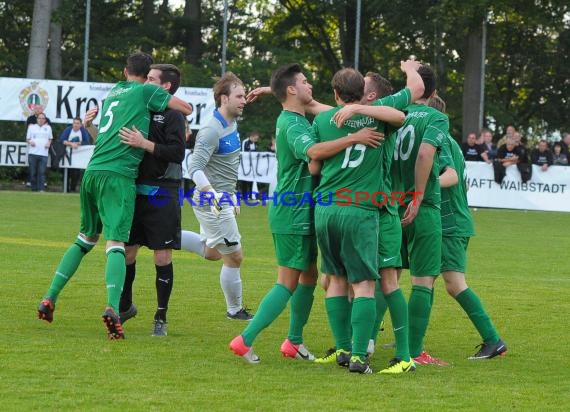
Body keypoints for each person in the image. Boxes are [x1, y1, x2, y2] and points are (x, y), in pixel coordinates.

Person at [229, 63, 383, 364]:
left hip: (304, 209)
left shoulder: (296, 116)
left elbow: (317, 108)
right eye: (303, 81)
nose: (309, 84)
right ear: (291, 89)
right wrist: (354, 138)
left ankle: (294, 341)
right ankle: (244, 339)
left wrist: (269, 92)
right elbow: (314, 155)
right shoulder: (294, 124)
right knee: (287, 281)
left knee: (309, 276)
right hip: (294, 210)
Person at [36, 52, 192, 339]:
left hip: (92, 172)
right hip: (118, 177)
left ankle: (49, 297)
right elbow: (187, 107)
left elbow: (107, 136)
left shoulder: (112, 95)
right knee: (117, 244)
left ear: (124, 72)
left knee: (84, 239)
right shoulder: (145, 91)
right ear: (147, 78)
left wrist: (90, 126)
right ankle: (112, 308)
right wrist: (158, 94)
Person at [313, 61, 425, 374]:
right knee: (350, 282)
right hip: (363, 210)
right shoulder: (369, 115)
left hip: (382, 211)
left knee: (383, 282)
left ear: (371, 94)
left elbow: (405, 106)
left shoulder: (376, 112)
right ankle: (352, 348)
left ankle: (402, 356)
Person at [429, 95, 507, 360]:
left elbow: (451, 178)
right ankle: (411, 337)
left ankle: (493, 340)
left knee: (454, 284)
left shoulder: (441, 143)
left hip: (451, 224)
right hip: (448, 221)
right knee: (425, 278)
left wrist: (421, 190)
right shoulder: (448, 142)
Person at [114, 64, 187, 337]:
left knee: (161, 255)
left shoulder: (173, 115)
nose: (146, 81)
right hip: (134, 189)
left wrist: (143, 143)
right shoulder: (139, 107)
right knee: (128, 251)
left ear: (165, 86)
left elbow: (178, 153)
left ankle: (160, 316)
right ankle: (125, 306)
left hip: (162, 192)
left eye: (152, 79)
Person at [180, 72, 253, 322]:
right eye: (239, 96)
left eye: (244, 95)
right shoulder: (211, 130)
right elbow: (194, 168)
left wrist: (232, 196)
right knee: (234, 256)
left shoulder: (231, 122)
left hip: (223, 199)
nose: (244, 100)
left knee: (212, 253)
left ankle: (165, 236)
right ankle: (235, 311)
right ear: (224, 98)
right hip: (212, 203)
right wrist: (216, 196)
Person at [391, 64, 450, 366]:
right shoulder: (436, 117)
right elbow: (426, 154)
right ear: (435, 92)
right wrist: (418, 195)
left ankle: (369, 343)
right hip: (421, 208)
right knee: (423, 281)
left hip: (390, 206)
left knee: (386, 279)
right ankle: (414, 351)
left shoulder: (396, 117)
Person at [59, 117, 91, 192]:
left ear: (80, 125)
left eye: (77, 123)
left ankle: (73, 189)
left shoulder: (82, 131)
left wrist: (78, 143)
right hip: (67, 155)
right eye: (74, 123)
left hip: (78, 156)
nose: (76, 125)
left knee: (76, 173)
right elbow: (62, 140)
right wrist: (71, 144)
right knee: (66, 172)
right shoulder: (68, 130)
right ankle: (65, 188)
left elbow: (87, 142)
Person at [26, 113, 53, 192]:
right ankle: (33, 189)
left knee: (41, 172)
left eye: (43, 118)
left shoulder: (48, 128)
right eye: (39, 118)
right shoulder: (31, 127)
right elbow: (27, 139)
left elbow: (50, 138)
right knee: (33, 172)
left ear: (45, 120)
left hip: (43, 153)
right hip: (33, 153)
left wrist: (49, 143)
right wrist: (30, 142)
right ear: (37, 119)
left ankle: (41, 189)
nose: (41, 120)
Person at [240, 130, 260, 198]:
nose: (256, 140)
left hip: (252, 165)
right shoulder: (245, 142)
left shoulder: (255, 144)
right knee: (244, 180)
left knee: (251, 180)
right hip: (245, 165)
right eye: (255, 138)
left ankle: (251, 195)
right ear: (251, 136)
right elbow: (243, 153)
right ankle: (244, 195)